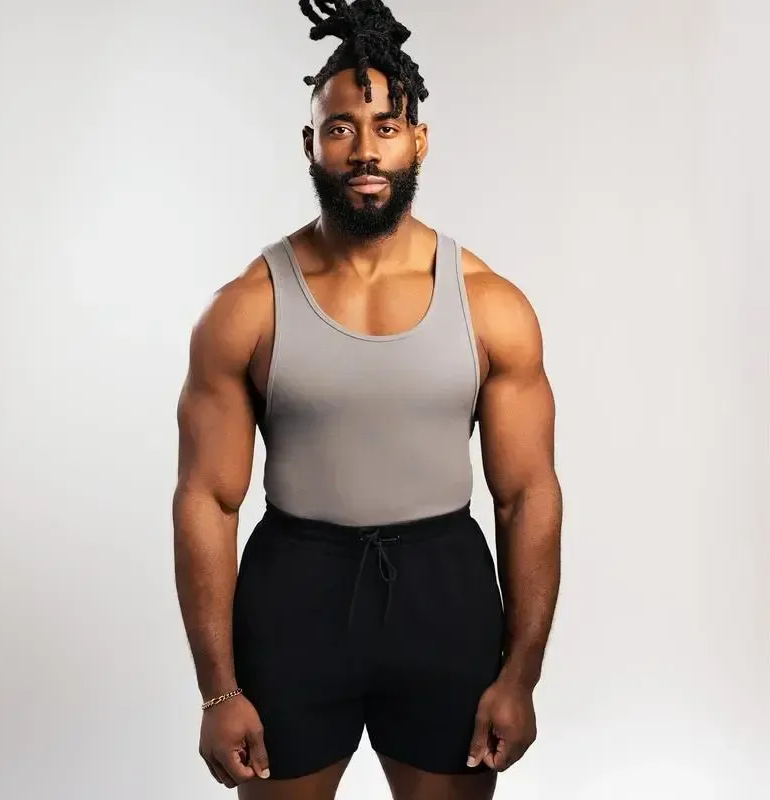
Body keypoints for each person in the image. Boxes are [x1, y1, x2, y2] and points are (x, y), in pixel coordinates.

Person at [172, 1, 562, 798]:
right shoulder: (247, 308)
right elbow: (207, 498)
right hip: (295, 595)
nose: (364, 150)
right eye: (341, 128)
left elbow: (527, 494)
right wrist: (217, 690)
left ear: (419, 140)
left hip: (443, 594)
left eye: (386, 126)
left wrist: (521, 675)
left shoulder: (491, 305)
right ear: (310, 143)